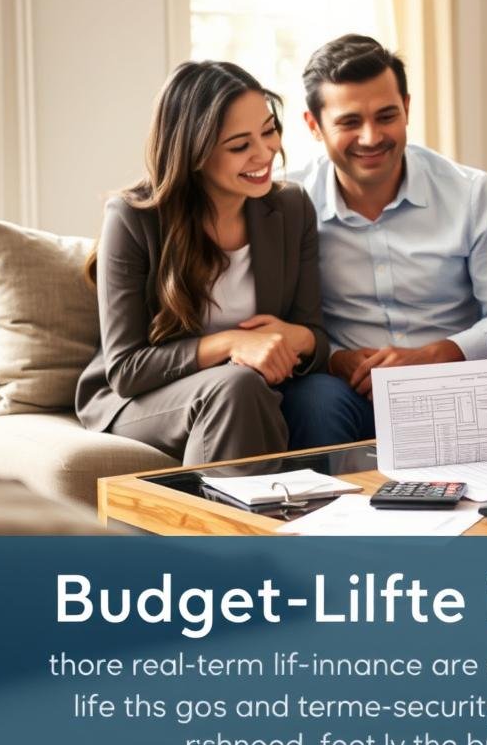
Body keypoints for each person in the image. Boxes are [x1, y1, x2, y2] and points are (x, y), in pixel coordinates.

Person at [76, 60, 331, 463]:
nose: (265, 153)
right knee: (237, 387)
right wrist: (233, 343)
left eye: (268, 131)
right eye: (239, 145)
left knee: (288, 394)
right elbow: (126, 370)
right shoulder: (132, 218)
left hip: (249, 391)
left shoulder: (291, 207)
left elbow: (314, 334)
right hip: (143, 400)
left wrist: (291, 338)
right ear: (193, 151)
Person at [292, 34, 487, 446]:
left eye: (386, 116)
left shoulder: (470, 192)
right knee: (312, 401)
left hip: (454, 383)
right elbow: (281, 319)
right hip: (344, 391)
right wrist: (334, 360)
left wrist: (435, 356)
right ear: (314, 126)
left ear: (407, 108)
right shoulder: (289, 203)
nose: (371, 138)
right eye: (349, 122)